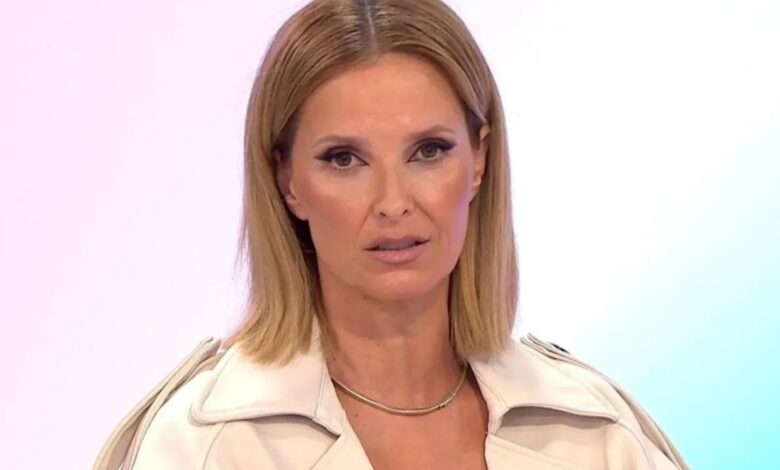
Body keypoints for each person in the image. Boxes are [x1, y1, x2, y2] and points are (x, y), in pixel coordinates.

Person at [94, 0, 689, 469]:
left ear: (479, 161)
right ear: (287, 180)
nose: (393, 203)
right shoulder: (204, 449)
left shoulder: (594, 434)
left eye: (428, 151)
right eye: (344, 159)